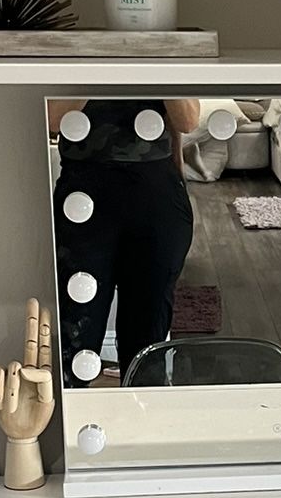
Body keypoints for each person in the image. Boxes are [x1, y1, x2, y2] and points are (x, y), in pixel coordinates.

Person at [53, 97, 201, 384]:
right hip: (83, 196)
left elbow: (187, 120)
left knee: (147, 342)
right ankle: (74, 409)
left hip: (156, 190)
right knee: (77, 333)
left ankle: (141, 410)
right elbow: (53, 120)